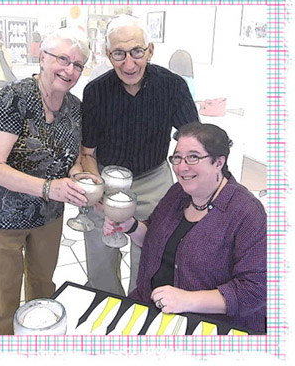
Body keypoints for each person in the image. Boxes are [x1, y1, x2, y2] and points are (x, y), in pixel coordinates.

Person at [0, 27, 91, 335]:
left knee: (42, 294)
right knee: (1, 304)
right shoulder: (13, 97)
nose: (70, 70)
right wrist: (50, 188)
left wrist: (79, 178)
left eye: (78, 64)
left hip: (47, 217)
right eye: (62, 59)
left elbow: (73, 159)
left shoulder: (75, 108)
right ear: (42, 57)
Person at [104, 122, 267, 333]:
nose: (181, 167)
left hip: (209, 325)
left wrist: (187, 300)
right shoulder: (177, 193)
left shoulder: (247, 213)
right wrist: (131, 225)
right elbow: (153, 239)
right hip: (151, 307)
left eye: (193, 157)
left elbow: (255, 290)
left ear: (218, 162)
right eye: (177, 157)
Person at [81, 14, 199, 296]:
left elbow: (194, 140)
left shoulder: (172, 86)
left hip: (154, 179)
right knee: (100, 259)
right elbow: (87, 152)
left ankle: (139, 313)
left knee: (150, 258)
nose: (129, 63)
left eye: (137, 52)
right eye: (119, 54)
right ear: (108, 54)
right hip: (106, 178)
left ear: (150, 50)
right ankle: (106, 306)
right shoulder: (95, 91)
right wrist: (97, 193)